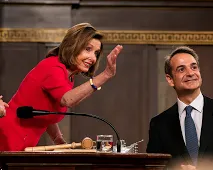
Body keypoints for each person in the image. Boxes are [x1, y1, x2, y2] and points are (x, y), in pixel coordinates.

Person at [0, 23, 123, 151]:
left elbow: (46, 113)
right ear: (73, 46)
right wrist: (106, 74)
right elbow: (68, 100)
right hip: (6, 138)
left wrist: (59, 140)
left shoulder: (67, 75)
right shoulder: (54, 67)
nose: (93, 58)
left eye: (96, 53)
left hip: (19, 143)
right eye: (87, 49)